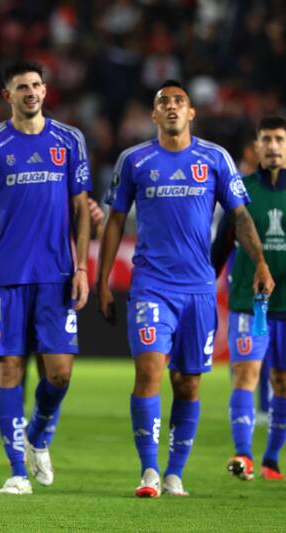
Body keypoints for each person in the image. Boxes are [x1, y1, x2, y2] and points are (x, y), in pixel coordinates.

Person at [98, 79, 275, 497]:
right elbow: (116, 221)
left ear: (191, 112)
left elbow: (241, 217)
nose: (173, 107)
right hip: (151, 285)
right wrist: (104, 281)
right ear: (154, 115)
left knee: (188, 383)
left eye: (180, 101)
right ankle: (149, 471)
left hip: (198, 288)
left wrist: (261, 261)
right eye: (164, 102)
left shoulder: (215, 158)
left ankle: (175, 473)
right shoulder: (135, 160)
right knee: (149, 372)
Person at [0, 59, 92, 495]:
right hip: (4, 276)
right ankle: (16, 469)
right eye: (22, 86)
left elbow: (81, 209)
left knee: (59, 375)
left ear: (45, 91)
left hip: (56, 275)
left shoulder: (69, 140)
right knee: (8, 370)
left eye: (36, 85)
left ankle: (38, 434)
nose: (31, 92)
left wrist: (83, 267)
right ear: (7, 95)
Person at [211, 116, 286, 481]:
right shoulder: (239, 190)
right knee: (246, 373)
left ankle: (272, 457)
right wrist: (205, 282)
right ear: (256, 147)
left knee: (282, 381)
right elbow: (222, 243)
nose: (273, 146)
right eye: (266, 140)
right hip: (251, 301)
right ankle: (243, 455)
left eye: (280, 140)